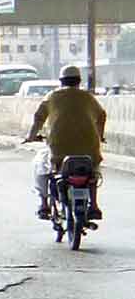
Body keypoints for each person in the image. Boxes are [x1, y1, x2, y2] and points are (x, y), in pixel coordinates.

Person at [26, 64, 107, 220]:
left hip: (59, 152)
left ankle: (44, 204)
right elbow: (102, 115)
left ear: (61, 81)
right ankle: (94, 205)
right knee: (93, 173)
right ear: (79, 81)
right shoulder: (88, 97)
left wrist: (31, 136)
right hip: (89, 151)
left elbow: (38, 118)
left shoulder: (52, 97)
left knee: (40, 165)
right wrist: (99, 135)